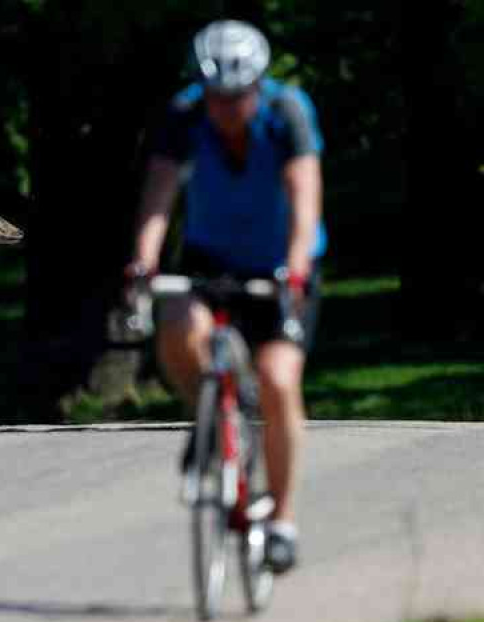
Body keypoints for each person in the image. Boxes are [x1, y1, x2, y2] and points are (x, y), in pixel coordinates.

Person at [124, 19, 325, 574]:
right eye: (216, 96)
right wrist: (145, 259)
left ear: (257, 86)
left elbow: (305, 194)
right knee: (175, 331)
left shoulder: (288, 113)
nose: (225, 107)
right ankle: (211, 418)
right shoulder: (185, 116)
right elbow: (160, 195)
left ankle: (281, 521)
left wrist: (298, 267)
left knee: (280, 379)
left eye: (236, 97)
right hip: (211, 258)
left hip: (282, 265)